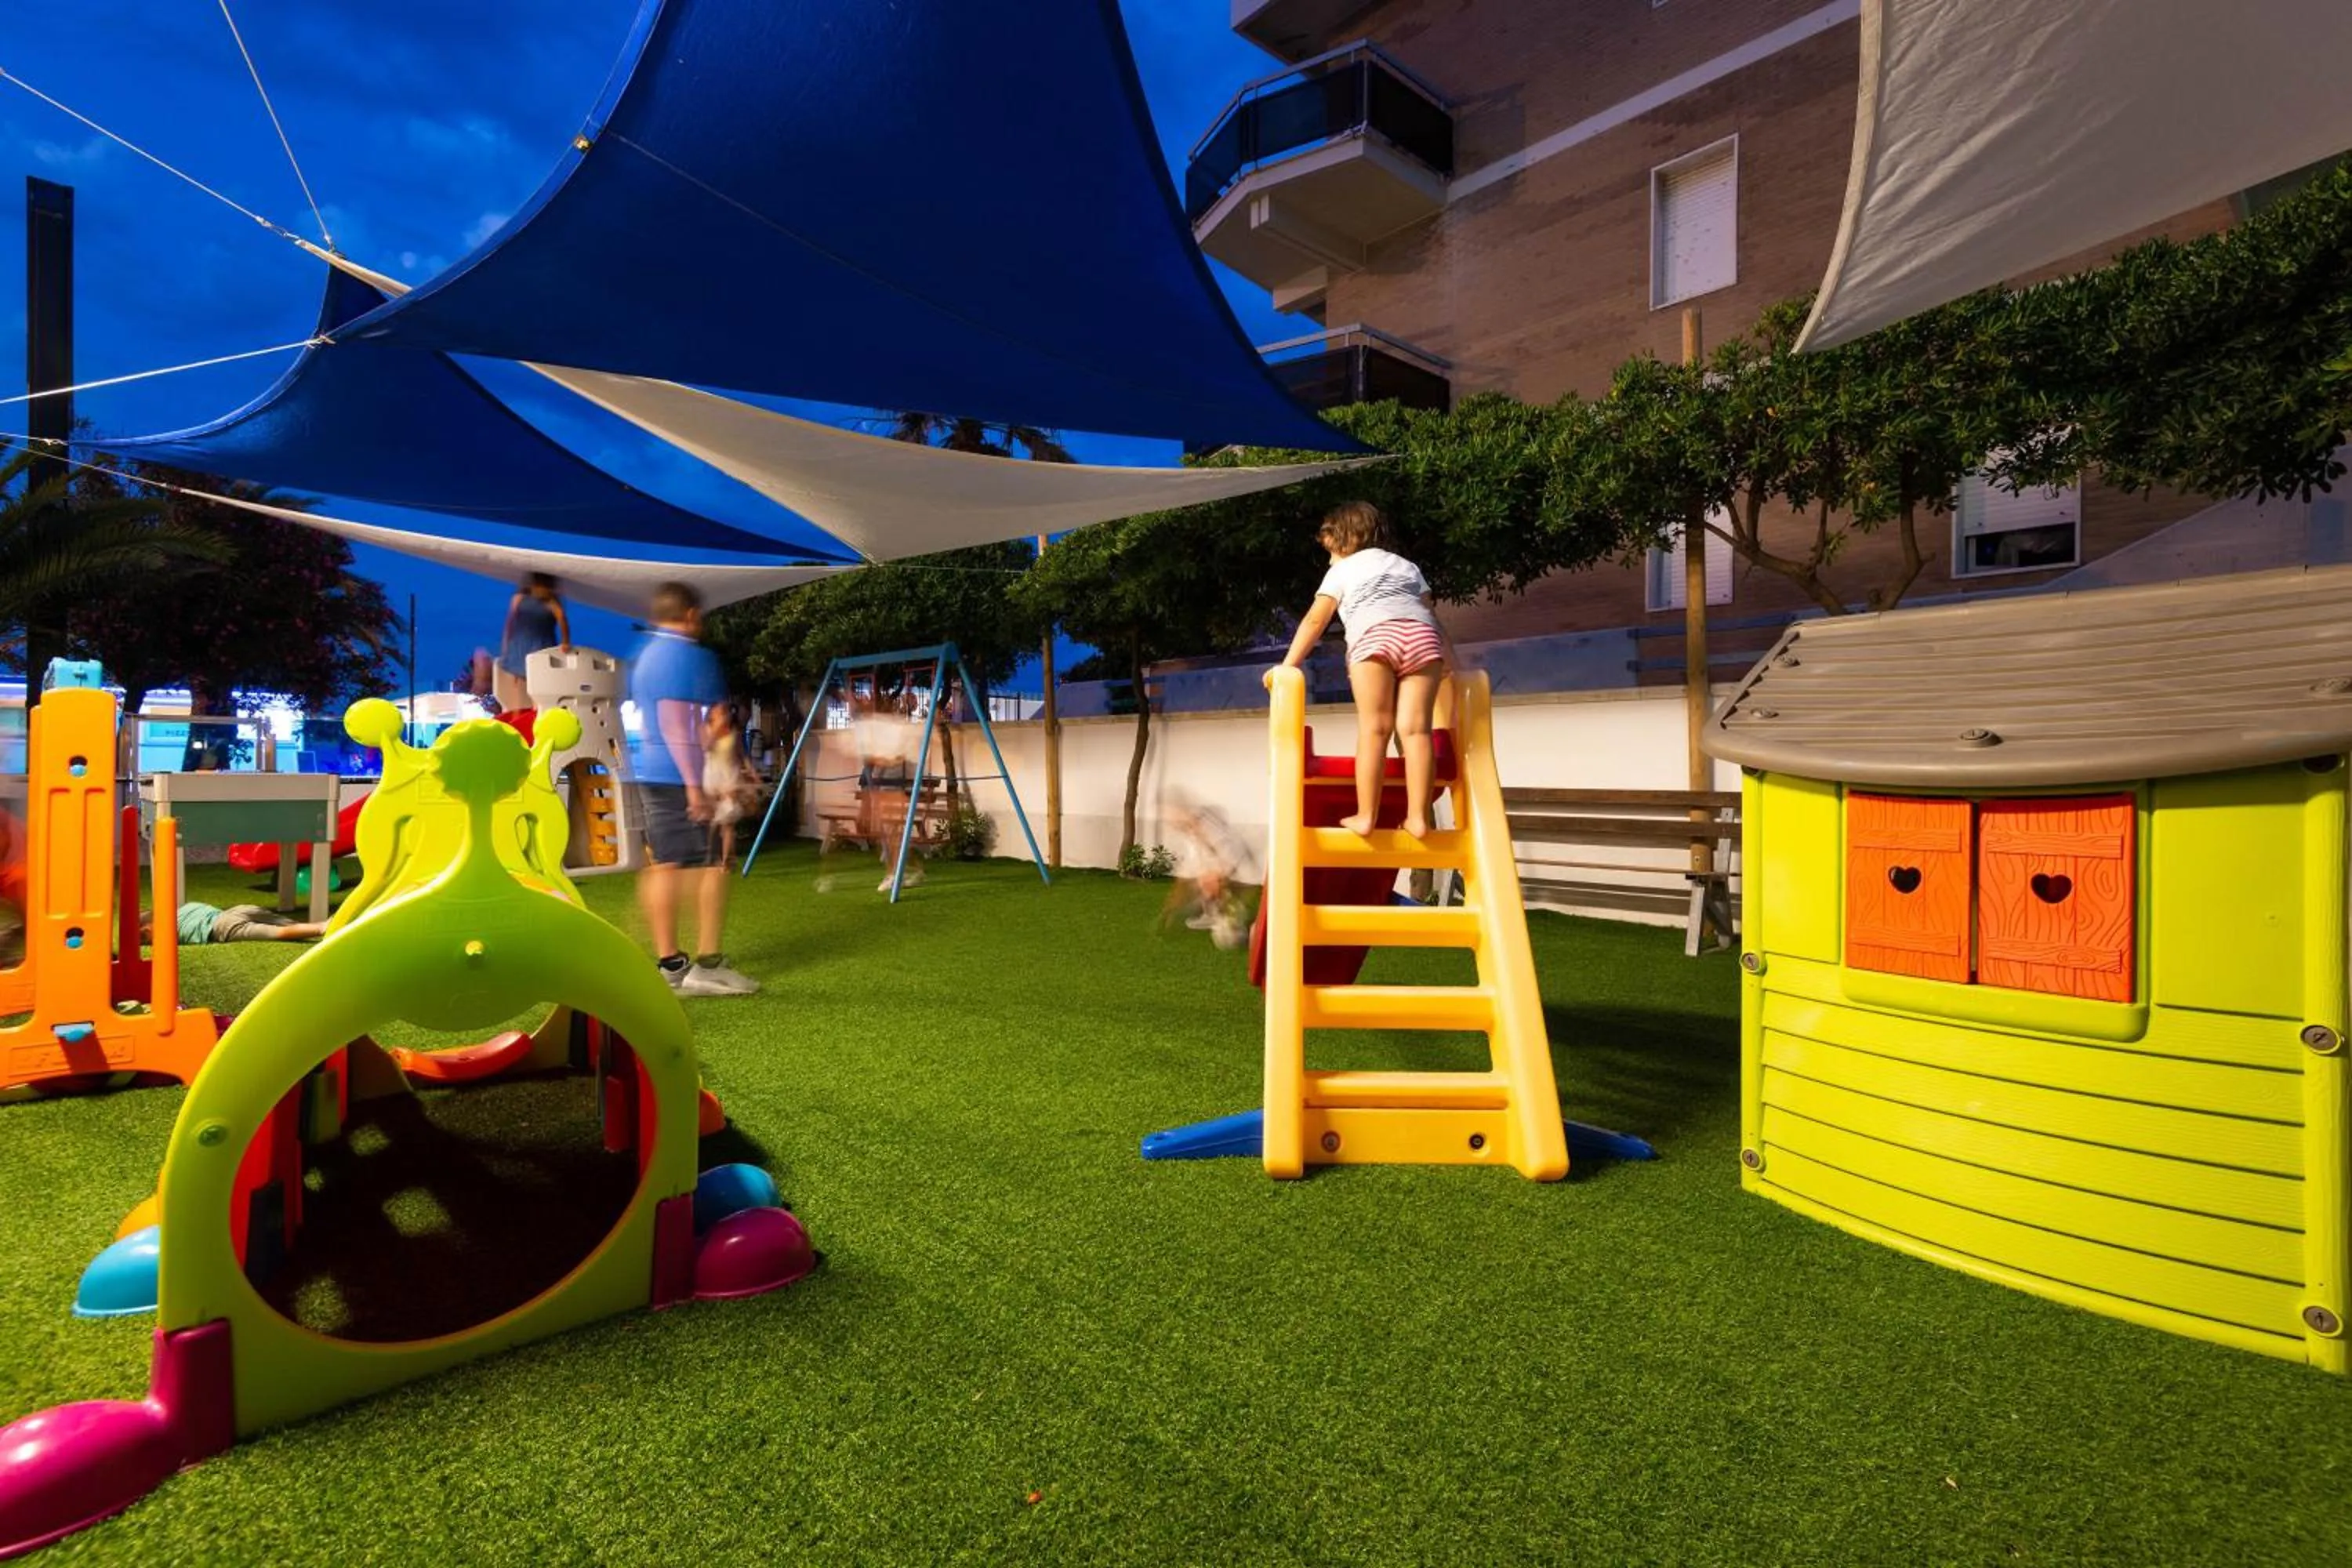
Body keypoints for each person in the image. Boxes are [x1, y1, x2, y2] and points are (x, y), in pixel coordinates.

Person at [1267, 500, 1457, 840]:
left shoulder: (1341, 570)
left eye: (1331, 551)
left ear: (1346, 540)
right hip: (1422, 638)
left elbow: (1316, 620)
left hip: (1375, 636)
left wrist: (1287, 666)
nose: (1329, 559)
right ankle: (1418, 819)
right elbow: (1430, 616)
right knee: (1416, 732)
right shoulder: (1407, 566)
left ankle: (1366, 815)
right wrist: (1452, 664)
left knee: (1375, 729)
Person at [629, 581, 757, 996]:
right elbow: (675, 719)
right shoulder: (684, 655)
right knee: (712, 867)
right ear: (689, 616)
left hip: (650, 770)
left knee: (665, 865)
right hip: (677, 774)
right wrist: (693, 786)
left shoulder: (646, 656)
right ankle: (707, 965)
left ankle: (672, 965)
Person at [1160, 795, 1248, 949]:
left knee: (1209, 881)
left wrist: (1220, 871)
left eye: (1171, 816)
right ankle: (1215, 913)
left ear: (1181, 811)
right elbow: (1192, 865)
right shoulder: (1191, 831)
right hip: (1220, 856)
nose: (1170, 822)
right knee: (1203, 880)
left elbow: (1225, 850)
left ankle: (1232, 919)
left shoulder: (1205, 824)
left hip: (1228, 853)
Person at [496, 572, 572, 713]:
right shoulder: (520, 598)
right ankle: (519, 714)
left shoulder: (551, 603)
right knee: (520, 681)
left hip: (539, 643)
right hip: (521, 642)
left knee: (536, 680)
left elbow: (563, 621)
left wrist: (565, 643)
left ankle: (536, 712)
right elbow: (510, 623)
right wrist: (506, 643)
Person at [702, 702, 760, 869]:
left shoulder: (734, 734)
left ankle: (726, 861)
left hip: (730, 779)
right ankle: (715, 857)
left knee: (728, 821)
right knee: (712, 822)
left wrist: (751, 772)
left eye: (725, 713)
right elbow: (706, 748)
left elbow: (742, 755)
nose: (723, 716)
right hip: (712, 780)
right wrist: (715, 730)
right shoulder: (705, 730)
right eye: (719, 713)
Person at [143, 902, 326, 946]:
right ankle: (319, 925)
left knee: (277, 932)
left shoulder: (168, 931)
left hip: (223, 927)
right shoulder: (183, 910)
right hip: (235, 911)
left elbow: (158, 936)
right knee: (282, 923)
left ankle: (321, 928)